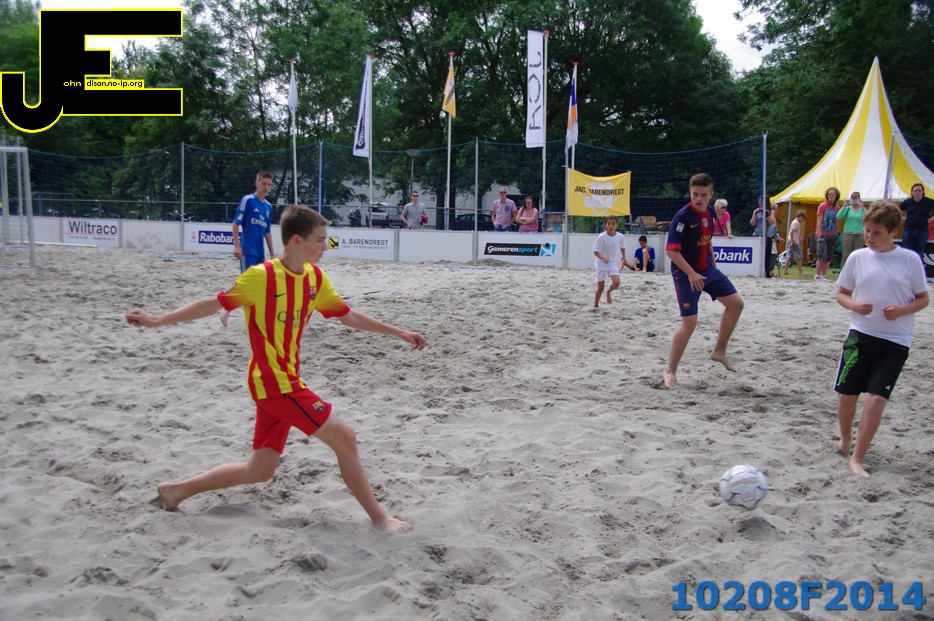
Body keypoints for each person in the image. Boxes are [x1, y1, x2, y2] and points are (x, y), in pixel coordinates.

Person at [126, 205, 426, 533]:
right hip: (274, 383)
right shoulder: (262, 277)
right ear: (297, 241)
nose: (325, 247)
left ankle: (176, 491)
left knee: (259, 470)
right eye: (320, 240)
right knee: (345, 438)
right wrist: (157, 320)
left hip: (283, 380)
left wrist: (398, 332)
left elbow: (347, 315)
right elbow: (213, 304)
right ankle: (380, 519)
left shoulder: (314, 278)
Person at [834, 200, 929, 478]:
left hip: (895, 341)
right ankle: (845, 440)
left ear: (893, 232)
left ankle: (858, 459)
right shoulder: (857, 258)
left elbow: (923, 299)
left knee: (876, 400)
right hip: (860, 336)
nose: (870, 237)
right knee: (846, 398)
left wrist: (902, 310)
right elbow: (842, 294)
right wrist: (854, 305)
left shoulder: (909, 260)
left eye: (877, 232)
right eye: (867, 231)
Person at [664, 173, 744, 389]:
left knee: (736, 304)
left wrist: (713, 264)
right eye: (695, 194)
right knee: (689, 323)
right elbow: (671, 251)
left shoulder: (710, 212)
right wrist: (691, 273)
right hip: (685, 273)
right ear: (690, 193)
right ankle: (670, 372)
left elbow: (707, 240)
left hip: (707, 270)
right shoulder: (682, 217)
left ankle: (719, 351)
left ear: (711, 195)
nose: (698, 199)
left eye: (703, 195)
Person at [221, 171, 276, 326]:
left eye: (269, 184)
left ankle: (257, 315)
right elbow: (235, 224)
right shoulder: (248, 200)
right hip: (248, 250)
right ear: (257, 183)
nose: (266, 187)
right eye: (264, 183)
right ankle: (227, 307)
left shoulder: (268, 207)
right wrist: (237, 245)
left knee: (259, 283)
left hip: (260, 252)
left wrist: (272, 253)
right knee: (247, 282)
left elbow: (267, 232)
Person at [592, 215, 627, 308]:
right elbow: (595, 251)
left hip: (611, 262)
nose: (611, 226)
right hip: (600, 263)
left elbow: (622, 247)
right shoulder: (601, 237)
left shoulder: (620, 236)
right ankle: (596, 305)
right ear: (606, 225)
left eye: (613, 224)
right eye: (609, 224)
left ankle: (608, 292)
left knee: (616, 283)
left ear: (617, 225)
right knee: (600, 287)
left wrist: (623, 257)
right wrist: (603, 258)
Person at [898, 183, 934, 259]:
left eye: (919, 191)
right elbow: (896, 210)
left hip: (922, 231)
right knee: (907, 253)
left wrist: (932, 218)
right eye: (915, 191)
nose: (917, 192)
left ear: (923, 192)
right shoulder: (907, 202)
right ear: (912, 192)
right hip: (908, 231)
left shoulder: (929, 202)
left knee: (919, 254)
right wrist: (902, 218)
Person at [815, 186, 840, 281]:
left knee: (829, 256)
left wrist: (836, 232)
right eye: (830, 194)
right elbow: (819, 220)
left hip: (832, 234)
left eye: (833, 195)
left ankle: (824, 274)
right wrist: (820, 233)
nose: (831, 196)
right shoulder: (822, 206)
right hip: (823, 233)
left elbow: (836, 221)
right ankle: (818, 275)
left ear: (836, 196)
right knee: (821, 255)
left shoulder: (836, 208)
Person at [836, 191, 865, 268]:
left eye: (856, 198)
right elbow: (839, 216)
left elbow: (868, 217)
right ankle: (844, 272)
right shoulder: (848, 209)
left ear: (859, 199)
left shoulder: (861, 209)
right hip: (848, 233)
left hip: (859, 234)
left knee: (857, 255)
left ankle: (856, 272)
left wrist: (862, 206)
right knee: (845, 255)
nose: (854, 200)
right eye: (853, 198)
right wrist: (844, 206)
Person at [750, 196, 777, 278]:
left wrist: (767, 215)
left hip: (767, 236)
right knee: (757, 255)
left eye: (761, 201)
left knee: (767, 256)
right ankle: (755, 271)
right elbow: (752, 223)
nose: (760, 203)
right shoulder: (757, 211)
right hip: (758, 235)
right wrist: (755, 215)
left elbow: (771, 222)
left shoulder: (771, 211)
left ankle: (767, 272)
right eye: (759, 201)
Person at [782, 210, 807, 276]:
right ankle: (800, 271)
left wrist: (799, 237)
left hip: (790, 240)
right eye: (803, 218)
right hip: (794, 241)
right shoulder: (797, 223)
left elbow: (795, 232)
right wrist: (793, 241)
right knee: (799, 256)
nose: (802, 220)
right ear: (801, 216)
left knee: (789, 256)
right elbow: (792, 232)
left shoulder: (794, 221)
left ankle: (785, 271)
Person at [766, 205, 784, 277]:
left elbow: (775, 230)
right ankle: (769, 270)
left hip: (772, 239)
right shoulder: (769, 218)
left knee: (774, 255)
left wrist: (779, 238)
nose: (777, 211)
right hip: (768, 239)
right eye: (776, 209)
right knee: (773, 256)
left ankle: (770, 270)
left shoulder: (774, 219)